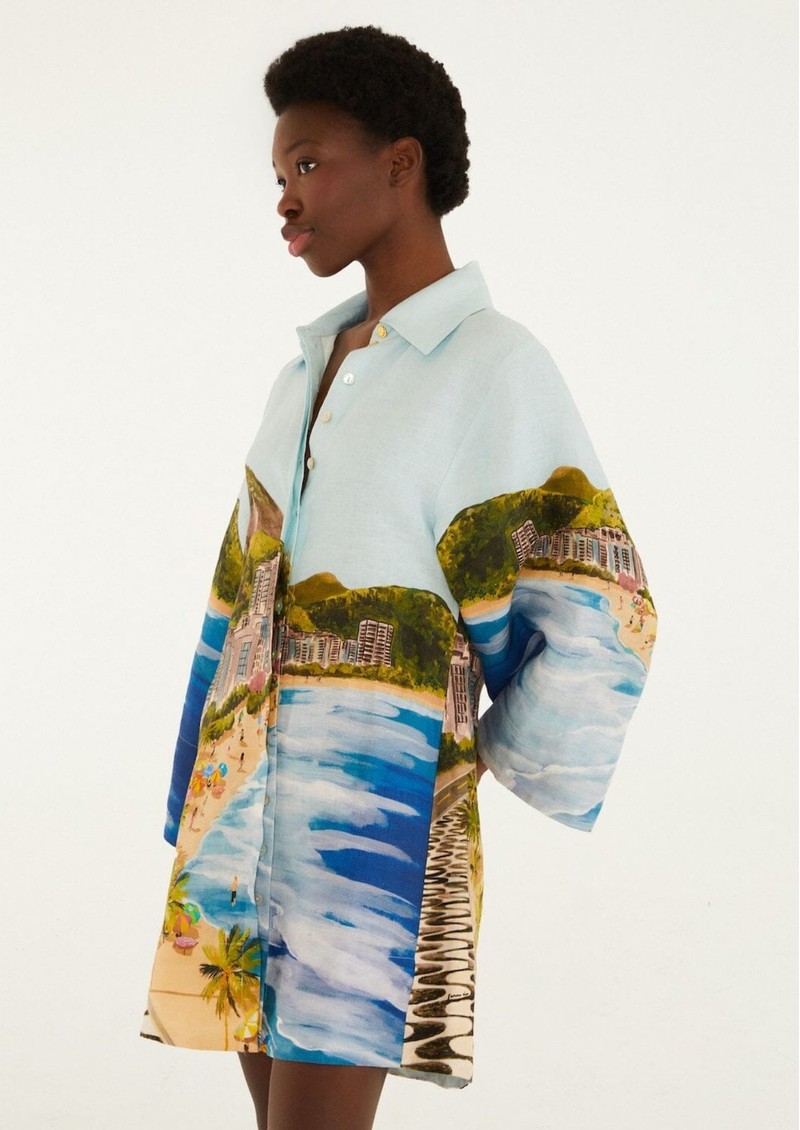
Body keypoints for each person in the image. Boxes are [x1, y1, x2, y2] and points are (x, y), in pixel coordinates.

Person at [141, 26, 657, 1130]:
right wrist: (195, 781)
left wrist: (462, 760)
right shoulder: (301, 373)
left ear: (401, 163)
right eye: (277, 174)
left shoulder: (492, 366)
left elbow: (600, 603)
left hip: (364, 834)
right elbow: (237, 595)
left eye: (308, 163)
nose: (286, 198)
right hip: (243, 819)